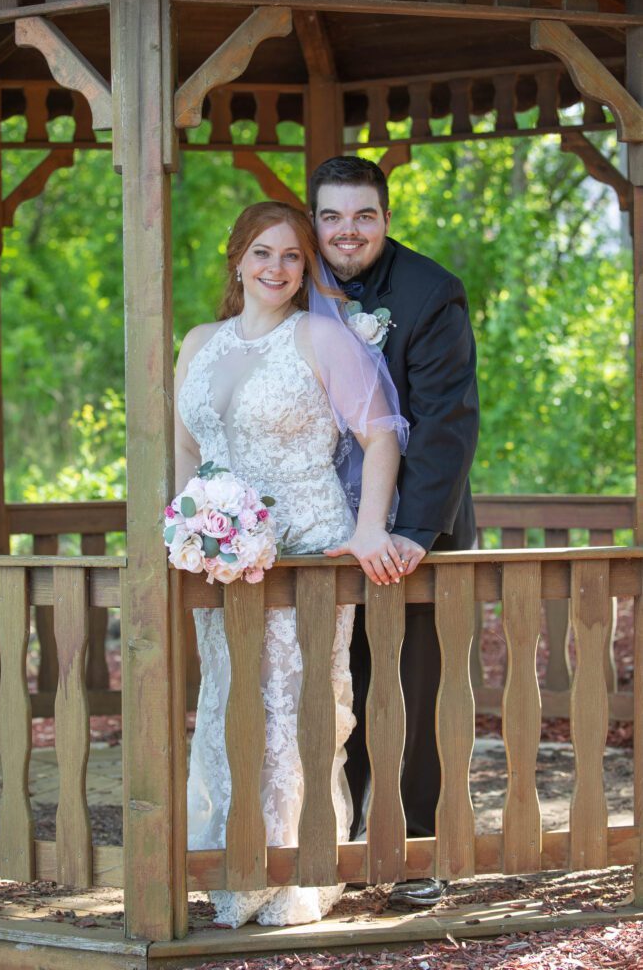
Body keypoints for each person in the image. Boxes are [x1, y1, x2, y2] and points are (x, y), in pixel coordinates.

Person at [174, 201, 407, 928]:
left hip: (306, 547)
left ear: (306, 270)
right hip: (221, 557)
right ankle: (228, 856)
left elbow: (381, 437)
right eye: (263, 254)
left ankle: (291, 869)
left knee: (292, 709)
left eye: (292, 258)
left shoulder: (318, 338)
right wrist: (183, 525)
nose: (276, 269)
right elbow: (186, 449)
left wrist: (369, 528)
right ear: (236, 257)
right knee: (226, 702)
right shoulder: (198, 342)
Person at [311, 156, 479, 907]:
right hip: (318, 535)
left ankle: (419, 857)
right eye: (331, 217)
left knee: (410, 697)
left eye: (363, 216)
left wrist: (410, 532)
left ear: (385, 218)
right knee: (328, 692)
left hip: (416, 542)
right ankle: (333, 842)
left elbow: (446, 422)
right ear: (315, 221)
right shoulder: (294, 280)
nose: (347, 232)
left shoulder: (430, 293)